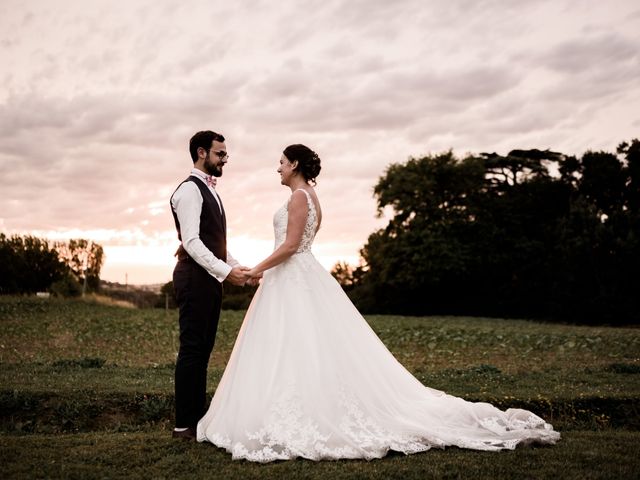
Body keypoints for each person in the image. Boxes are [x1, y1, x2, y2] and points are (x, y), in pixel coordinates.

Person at [196, 144, 560, 461]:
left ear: (294, 165)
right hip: (297, 279)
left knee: (297, 346)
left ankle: (303, 414)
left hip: (292, 278)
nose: (277, 168)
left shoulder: (298, 197)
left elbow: (291, 246)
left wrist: (256, 269)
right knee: (300, 347)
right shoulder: (312, 199)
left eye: (281, 162)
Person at [169, 130, 251, 440]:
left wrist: (236, 266)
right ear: (202, 153)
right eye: (220, 154)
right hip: (194, 277)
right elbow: (191, 242)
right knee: (192, 349)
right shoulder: (190, 191)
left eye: (226, 154)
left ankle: (197, 419)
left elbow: (215, 242)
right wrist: (225, 272)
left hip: (209, 276)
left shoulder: (211, 190)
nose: (224, 160)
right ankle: (183, 425)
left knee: (203, 350)